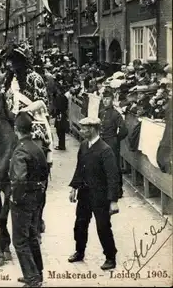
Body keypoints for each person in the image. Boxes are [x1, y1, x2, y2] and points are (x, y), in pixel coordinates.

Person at [68, 117, 120, 270]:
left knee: (103, 227)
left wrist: (113, 200)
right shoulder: (84, 145)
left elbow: (112, 177)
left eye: (84, 128)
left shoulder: (105, 150)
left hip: (100, 197)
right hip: (84, 194)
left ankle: (110, 257)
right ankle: (79, 251)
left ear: (92, 129)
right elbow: (79, 168)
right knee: (80, 224)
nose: (81, 131)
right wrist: (74, 188)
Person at [10, 112, 49, 288]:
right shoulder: (37, 147)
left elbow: (19, 180)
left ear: (16, 129)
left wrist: (15, 198)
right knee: (33, 236)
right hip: (37, 197)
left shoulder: (20, 150)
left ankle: (32, 279)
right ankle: (37, 273)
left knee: (19, 240)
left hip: (23, 200)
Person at [98, 89, 128, 198]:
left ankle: (118, 191)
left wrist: (116, 139)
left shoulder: (116, 114)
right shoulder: (101, 113)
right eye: (104, 99)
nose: (105, 101)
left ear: (112, 100)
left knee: (114, 166)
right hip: (102, 142)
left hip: (112, 143)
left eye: (108, 99)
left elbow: (124, 130)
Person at [53, 82, 69, 150]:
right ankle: (61, 145)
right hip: (62, 114)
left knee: (59, 130)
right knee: (61, 131)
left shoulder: (60, 97)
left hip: (60, 115)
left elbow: (58, 107)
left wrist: (55, 113)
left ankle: (61, 145)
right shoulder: (64, 97)